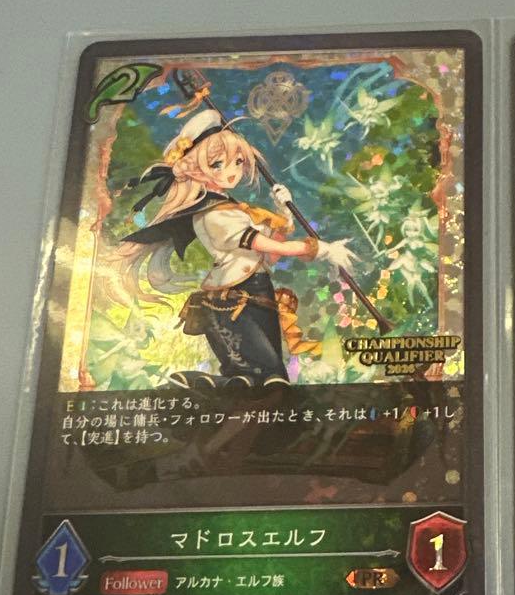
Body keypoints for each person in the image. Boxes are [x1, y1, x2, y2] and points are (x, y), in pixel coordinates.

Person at [109, 106, 354, 388]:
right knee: (263, 377)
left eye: (238, 162)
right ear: (196, 170)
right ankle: (194, 383)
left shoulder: (235, 209)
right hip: (232, 300)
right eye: (218, 164)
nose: (232, 171)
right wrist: (319, 249)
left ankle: (214, 388)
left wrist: (283, 214)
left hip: (259, 291)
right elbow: (260, 242)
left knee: (269, 378)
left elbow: (269, 256)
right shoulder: (213, 214)